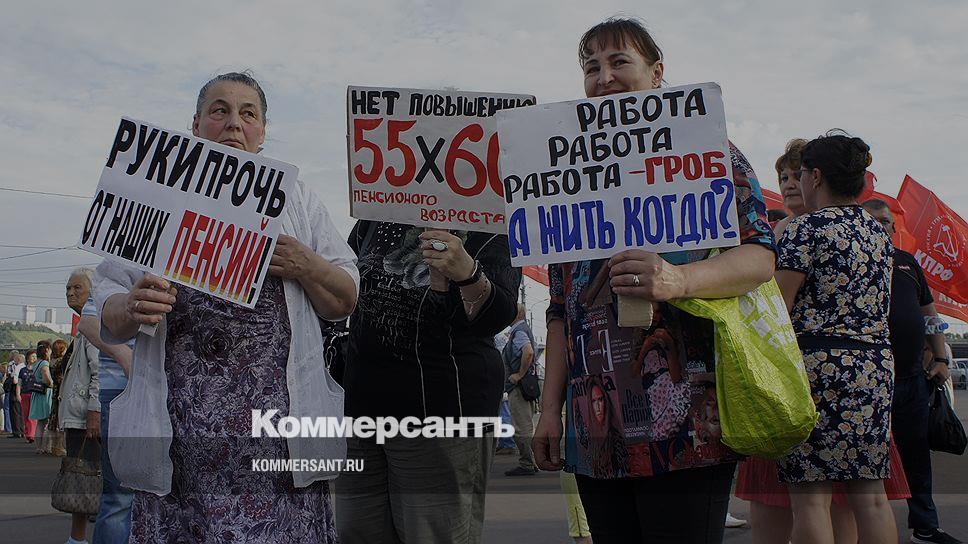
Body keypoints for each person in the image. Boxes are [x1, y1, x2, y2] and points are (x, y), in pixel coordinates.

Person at [531, 17, 776, 544]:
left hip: (686, 424)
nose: (604, 77)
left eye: (619, 61)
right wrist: (549, 411)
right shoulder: (560, 176)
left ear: (657, 72)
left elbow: (759, 258)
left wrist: (678, 278)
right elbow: (560, 311)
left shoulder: (707, 150)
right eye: (591, 67)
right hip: (596, 427)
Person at [95, 71, 359, 544]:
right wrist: (131, 306)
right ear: (196, 125)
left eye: (247, 113)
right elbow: (108, 309)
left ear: (262, 131)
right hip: (181, 452)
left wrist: (307, 265)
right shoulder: (157, 196)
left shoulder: (296, 200)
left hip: (281, 454)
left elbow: (344, 299)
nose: (234, 123)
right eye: (219, 111)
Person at [337, 223, 520, 538]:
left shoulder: (489, 222)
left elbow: (498, 314)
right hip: (361, 411)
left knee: (432, 534)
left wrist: (468, 274)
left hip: (441, 415)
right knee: (356, 530)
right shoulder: (374, 216)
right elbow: (343, 278)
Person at [775, 131, 897, 543]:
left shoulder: (805, 229)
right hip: (874, 368)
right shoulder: (878, 233)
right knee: (872, 497)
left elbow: (780, 306)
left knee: (810, 499)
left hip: (817, 368)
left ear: (815, 177)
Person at [862, 199, 962, 544]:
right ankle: (861, 529)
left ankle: (925, 526)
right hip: (868, 381)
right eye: (873, 221)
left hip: (912, 380)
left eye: (886, 222)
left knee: (917, 455)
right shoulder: (852, 261)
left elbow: (929, 314)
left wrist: (941, 358)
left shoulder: (907, 263)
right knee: (864, 461)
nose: (881, 227)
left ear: (893, 229)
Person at [77, 294, 135, 543]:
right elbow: (88, 322)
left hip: (170, 393)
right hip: (123, 391)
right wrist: (125, 357)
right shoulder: (116, 274)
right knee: (121, 496)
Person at [57, 267, 102, 544]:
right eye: (68, 289)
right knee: (84, 478)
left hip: (85, 418)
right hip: (81, 415)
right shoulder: (84, 326)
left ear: (93, 292)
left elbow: (99, 370)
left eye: (77, 288)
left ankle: (77, 539)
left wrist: (94, 411)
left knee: (82, 478)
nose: (71, 293)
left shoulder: (91, 324)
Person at [504, 303, 538, 476]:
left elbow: (528, 352)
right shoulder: (522, 330)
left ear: (516, 314)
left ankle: (527, 464)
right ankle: (531, 461)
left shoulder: (518, 332)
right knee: (525, 424)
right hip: (525, 386)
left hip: (519, 387)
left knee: (521, 427)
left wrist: (519, 374)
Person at [39, 338, 70, 456]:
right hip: (61, 391)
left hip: (55, 391)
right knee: (60, 420)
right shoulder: (61, 362)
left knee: (54, 419)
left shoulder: (51, 361)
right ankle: (59, 447)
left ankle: (52, 446)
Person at [29, 340, 55, 453]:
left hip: (37, 393)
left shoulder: (36, 363)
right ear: (47, 350)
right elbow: (46, 379)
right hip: (45, 394)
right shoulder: (44, 363)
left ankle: (39, 447)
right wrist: (52, 383)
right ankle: (46, 447)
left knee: (40, 423)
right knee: (47, 422)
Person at [19, 349, 38, 442]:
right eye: (32, 356)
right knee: (26, 415)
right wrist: (18, 394)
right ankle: (28, 434)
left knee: (33, 415)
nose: (34, 358)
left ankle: (32, 434)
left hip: (35, 394)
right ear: (27, 358)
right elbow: (19, 384)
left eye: (35, 356)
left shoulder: (38, 369)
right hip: (25, 394)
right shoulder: (22, 370)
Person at [6, 352, 25, 438]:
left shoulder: (17, 368)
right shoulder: (24, 367)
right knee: (21, 412)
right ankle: (22, 430)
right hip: (23, 391)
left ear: (18, 359)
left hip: (15, 391)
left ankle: (16, 432)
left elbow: (15, 381)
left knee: (14, 412)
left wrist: (12, 376)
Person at [2, 350, 20, 435]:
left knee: (7, 408)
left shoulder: (11, 364)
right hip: (16, 388)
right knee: (16, 409)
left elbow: (9, 375)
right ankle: (15, 428)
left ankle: (8, 427)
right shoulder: (19, 365)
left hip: (10, 388)